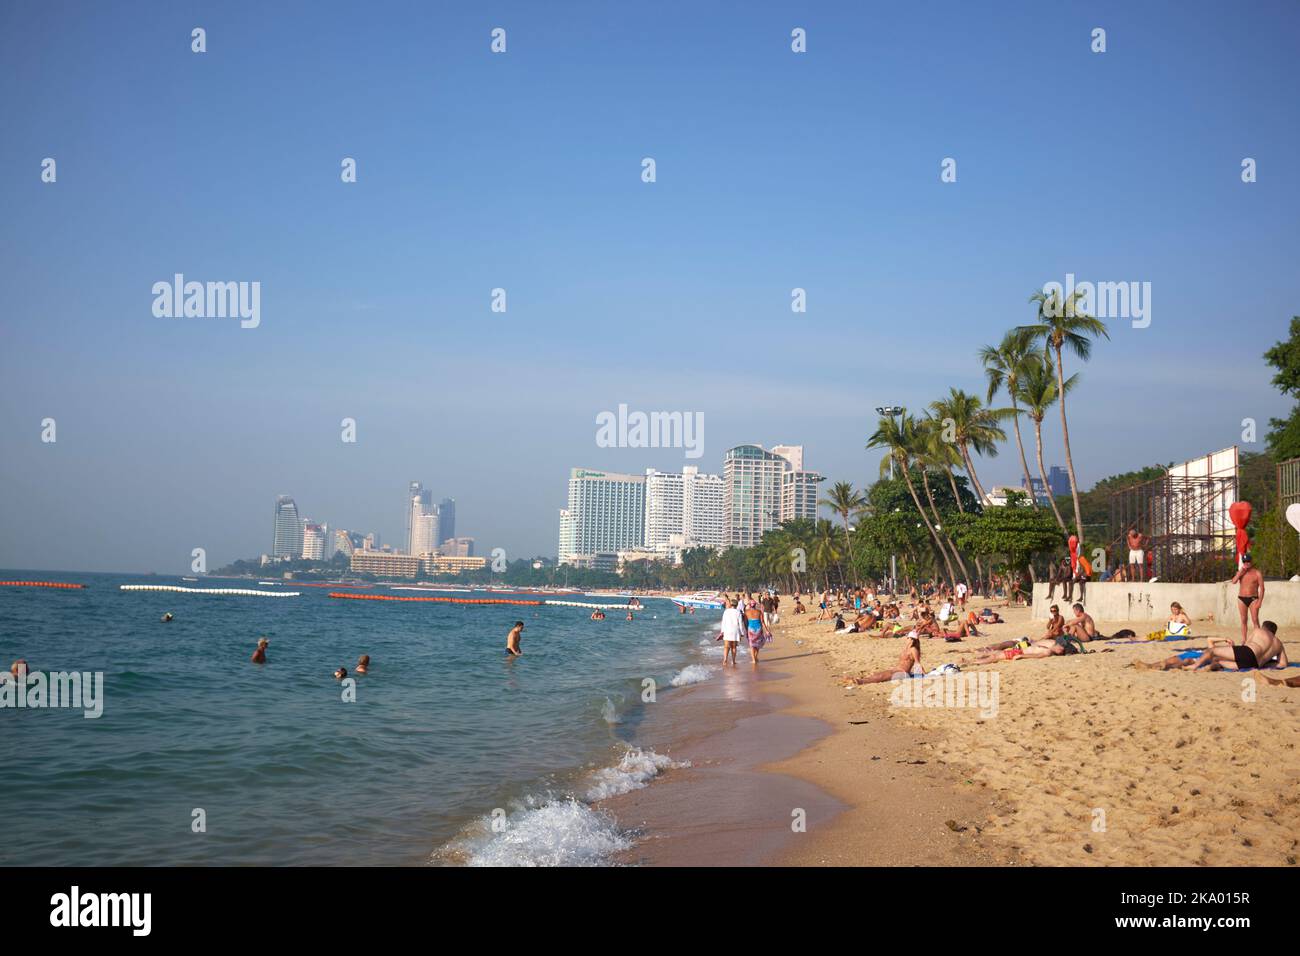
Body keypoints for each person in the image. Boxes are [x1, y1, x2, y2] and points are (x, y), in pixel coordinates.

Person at [1136, 621, 1288, 672]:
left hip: (1247, 654)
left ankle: (1192, 667)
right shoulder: (1278, 643)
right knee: (1218, 661)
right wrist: (1267, 662)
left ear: (1264, 627)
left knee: (1209, 652)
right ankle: (1203, 666)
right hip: (1254, 664)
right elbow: (1283, 664)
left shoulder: (1259, 631)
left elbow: (1246, 647)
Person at [840, 637, 923, 684]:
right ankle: (862, 679)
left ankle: (859, 681)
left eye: (908, 638)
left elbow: (917, 662)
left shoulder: (913, 649)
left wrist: (922, 675)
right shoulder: (906, 648)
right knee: (879, 674)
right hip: (897, 669)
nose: (906, 639)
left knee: (882, 676)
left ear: (912, 640)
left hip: (903, 672)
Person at [1230, 553, 1264, 642]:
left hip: (1253, 598)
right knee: (1243, 620)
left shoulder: (1257, 573)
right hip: (1241, 598)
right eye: (1244, 562)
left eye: (1248, 561)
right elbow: (1233, 581)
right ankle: (1244, 639)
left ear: (1251, 562)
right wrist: (1240, 572)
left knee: (1255, 619)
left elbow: (1263, 589)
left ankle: (1258, 639)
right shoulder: (1241, 572)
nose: (1246, 563)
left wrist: (1260, 602)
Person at [719, 598, 745, 667]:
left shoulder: (726, 611)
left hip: (727, 630)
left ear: (730, 604)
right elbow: (740, 623)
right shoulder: (738, 612)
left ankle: (725, 660)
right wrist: (742, 633)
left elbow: (723, 622)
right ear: (736, 605)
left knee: (726, 647)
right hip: (735, 631)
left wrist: (722, 631)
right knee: (734, 647)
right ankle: (733, 661)